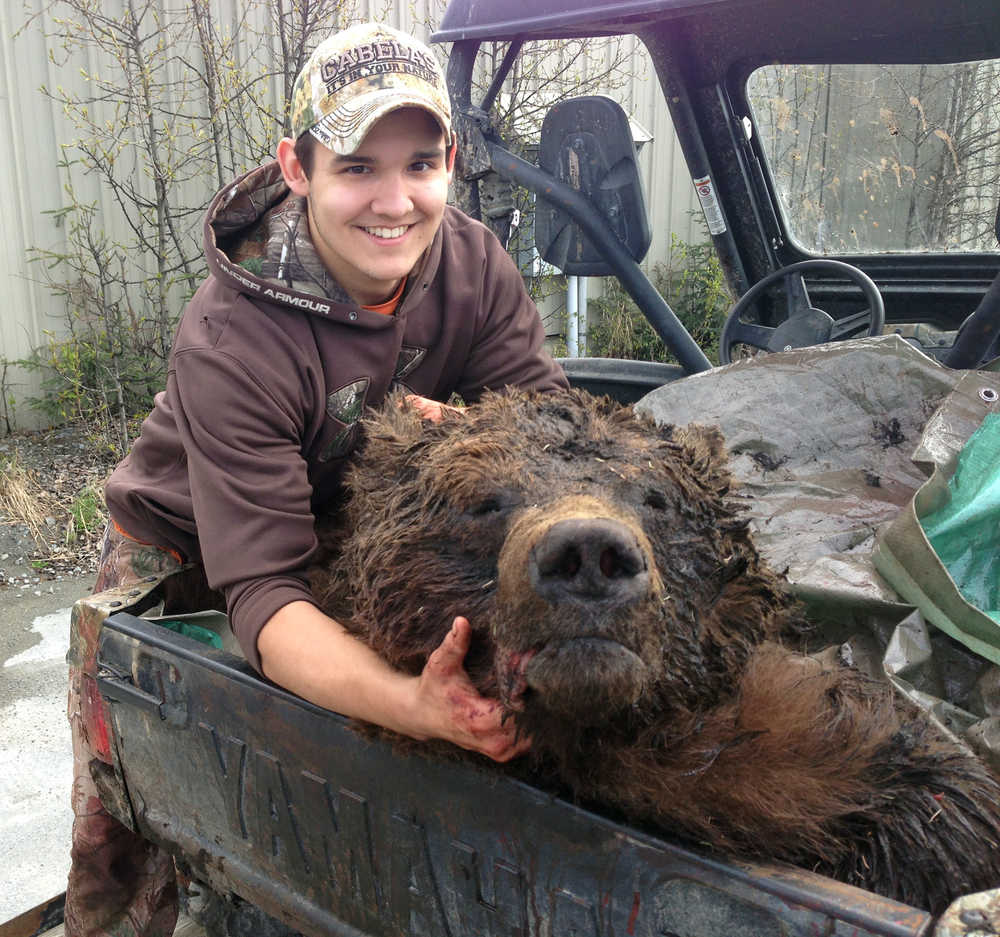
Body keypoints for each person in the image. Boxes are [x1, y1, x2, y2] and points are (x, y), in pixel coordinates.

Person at [65, 21, 567, 937]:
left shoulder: (472, 265)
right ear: (297, 169)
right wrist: (415, 706)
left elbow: (553, 432)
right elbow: (260, 588)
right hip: (176, 549)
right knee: (136, 807)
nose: (395, 200)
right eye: (358, 167)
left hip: (335, 515)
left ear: (452, 161)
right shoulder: (234, 337)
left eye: (420, 164)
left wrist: (489, 437)